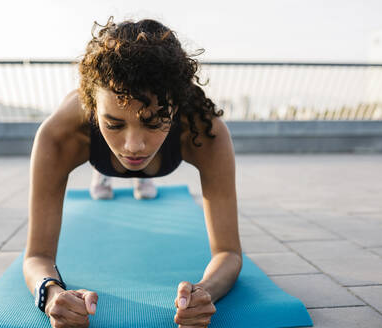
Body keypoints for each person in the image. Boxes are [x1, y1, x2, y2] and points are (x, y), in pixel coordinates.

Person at [23, 17, 242, 328]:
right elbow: (36, 256)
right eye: (114, 124)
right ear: (94, 110)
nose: (134, 144)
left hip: (162, 145)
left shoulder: (205, 132)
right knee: (123, 156)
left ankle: (131, 164)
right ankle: (105, 170)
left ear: (176, 108)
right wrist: (52, 294)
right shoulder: (60, 136)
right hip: (91, 144)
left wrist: (204, 293)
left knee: (135, 157)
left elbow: (229, 252)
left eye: (153, 122)